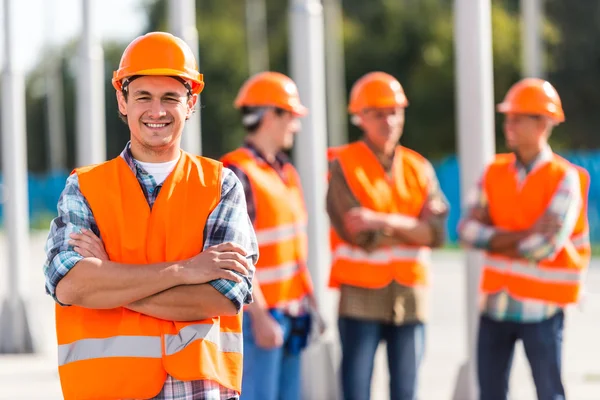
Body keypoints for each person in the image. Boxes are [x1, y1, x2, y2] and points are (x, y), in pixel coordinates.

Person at [43, 31, 257, 400]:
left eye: (169, 98)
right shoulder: (84, 187)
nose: (156, 111)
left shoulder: (221, 185)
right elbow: (71, 285)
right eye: (143, 97)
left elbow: (223, 296)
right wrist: (184, 271)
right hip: (108, 388)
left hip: (198, 390)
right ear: (122, 101)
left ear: (190, 104)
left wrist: (110, 279)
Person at [457, 78, 590, 400]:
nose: (509, 124)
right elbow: (466, 233)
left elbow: (544, 246)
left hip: (541, 309)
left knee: (549, 393)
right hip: (495, 305)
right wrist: (526, 233)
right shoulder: (493, 172)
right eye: (508, 117)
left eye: (518, 117)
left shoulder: (565, 177)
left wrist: (494, 237)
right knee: (490, 393)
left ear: (543, 123)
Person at [326, 71, 450, 400]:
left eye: (394, 112)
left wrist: (379, 220)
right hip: (359, 299)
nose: (389, 120)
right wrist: (413, 228)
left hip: (410, 300)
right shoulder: (344, 165)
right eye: (378, 113)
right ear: (360, 118)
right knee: (356, 392)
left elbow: (437, 235)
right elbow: (358, 236)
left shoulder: (419, 167)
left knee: (406, 393)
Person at [220, 71, 323, 400]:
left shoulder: (285, 172)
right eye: (291, 116)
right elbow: (235, 253)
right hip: (259, 316)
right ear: (270, 116)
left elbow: (292, 248)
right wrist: (260, 315)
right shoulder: (237, 172)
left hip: (293, 310)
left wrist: (310, 299)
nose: (296, 125)